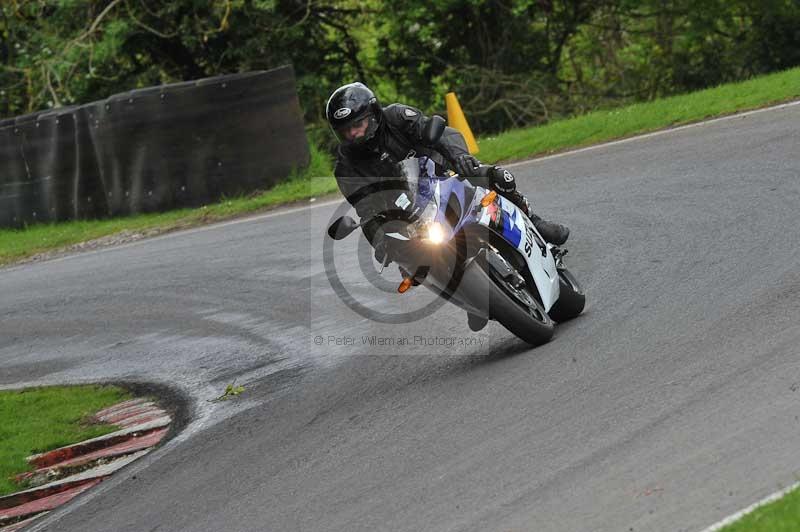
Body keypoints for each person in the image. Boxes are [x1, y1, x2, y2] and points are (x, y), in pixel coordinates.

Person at [326, 82, 570, 260]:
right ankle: (470, 292)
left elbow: (439, 132)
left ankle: (534, 222)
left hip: (443, 174)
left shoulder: (397, 116)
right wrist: (379, 239)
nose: (353, 134)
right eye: (346, 131)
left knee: (497, 177)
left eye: (358, 124)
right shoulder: (346, 167)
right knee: (410, 263)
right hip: (407, 210)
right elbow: (366, 210)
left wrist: (460, 156)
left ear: (374, 114)